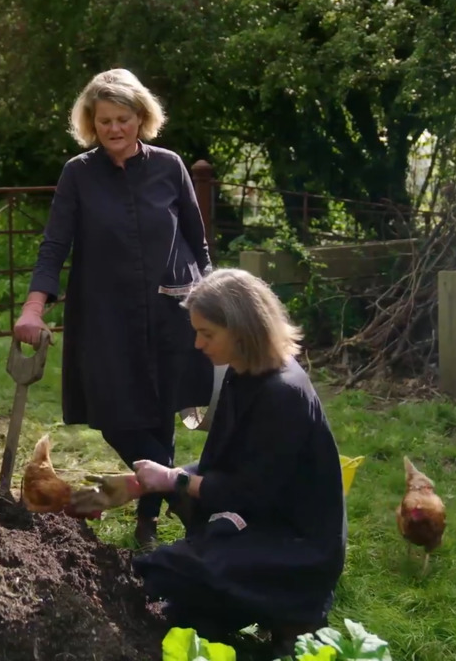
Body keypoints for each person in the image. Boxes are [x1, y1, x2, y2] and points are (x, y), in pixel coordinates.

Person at [71, 268, 348, 656]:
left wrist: (170, 479)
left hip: (295, 547)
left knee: (161, 569)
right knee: (170, 607)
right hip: (254, 522)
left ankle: (295, 611)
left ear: (242, 329)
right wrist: (138, 485)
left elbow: (244, 491)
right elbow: (222, 463)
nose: (198, 344)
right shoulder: (242, 374)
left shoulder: (282, 393)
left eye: (207, 334)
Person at [14, 68, 215, 550]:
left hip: (171, 312)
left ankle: (148, 524)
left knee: (158, 418)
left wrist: (213, 302)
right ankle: (184, 500)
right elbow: (54, 245)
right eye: (104, 121)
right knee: (116, 416)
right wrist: (33, 306)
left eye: (123, 118)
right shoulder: (78, 175)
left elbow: (197, 242)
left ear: (141, 118)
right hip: (105, 319)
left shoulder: (170, 166)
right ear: (91, 123)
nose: (114, 129)